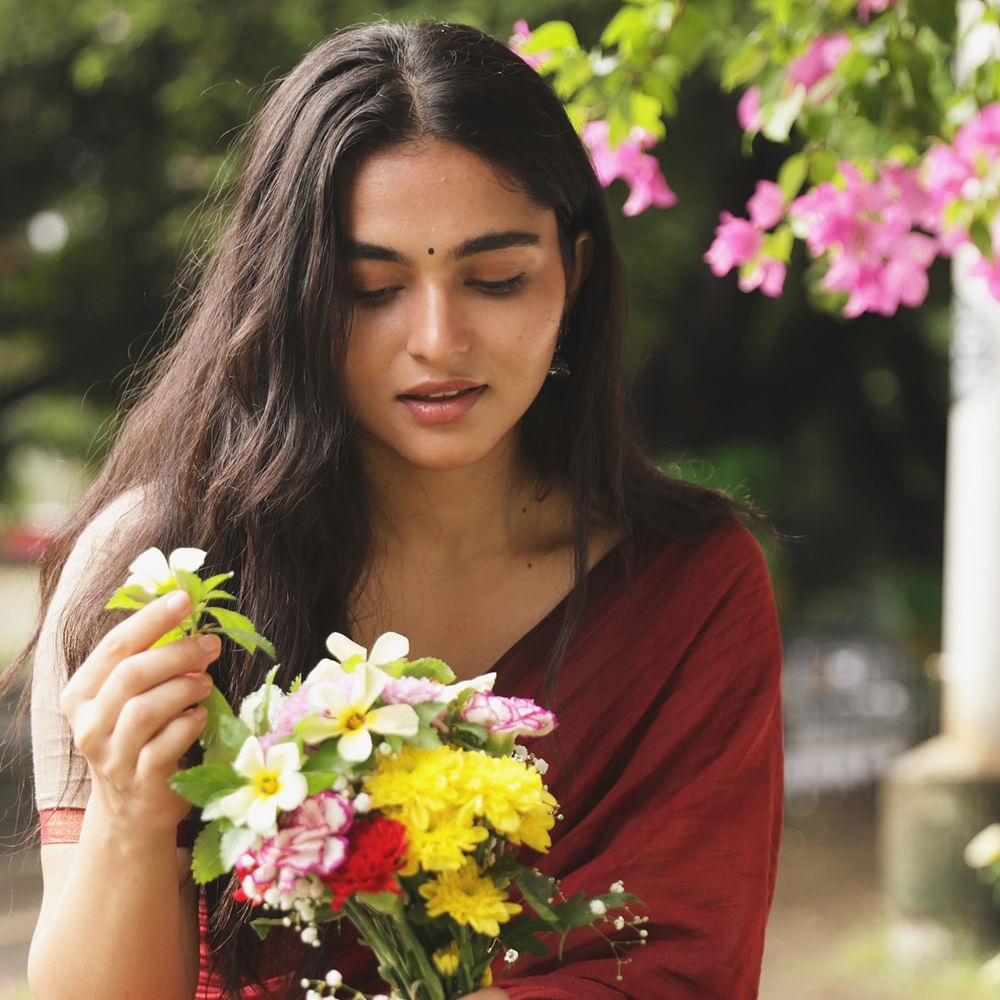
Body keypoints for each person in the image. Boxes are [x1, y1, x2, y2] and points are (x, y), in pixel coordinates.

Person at [14, 19, 782, 1000]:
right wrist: (129, 812)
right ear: (287, 297)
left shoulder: (690, 590)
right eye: (371, 289)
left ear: (576, 273)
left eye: (496, 279)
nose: (438, 339)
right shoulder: (159, 579)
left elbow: (683, 966)